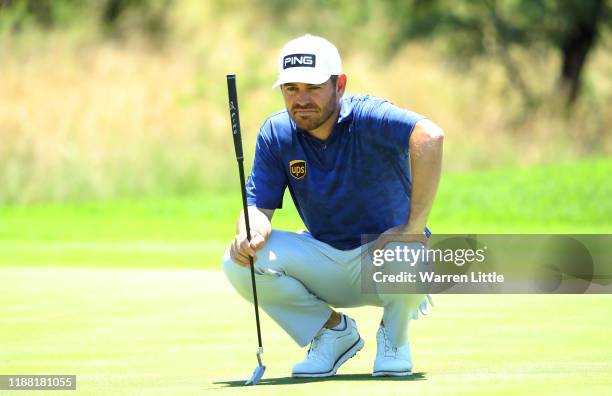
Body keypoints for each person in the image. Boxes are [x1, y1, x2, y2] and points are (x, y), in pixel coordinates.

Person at [222, 34, 444, 378]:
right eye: (291, 89)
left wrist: (413, 227)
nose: (301, 99)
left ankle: (394, 337)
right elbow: (258, 207)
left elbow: (430, 137)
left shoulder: (371, 116)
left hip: (384, 257)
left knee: (408, 252)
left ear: (339, 85)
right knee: (239, 262)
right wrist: (250, 233)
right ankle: (332, 333)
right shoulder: (276, 133)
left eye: (312, 87)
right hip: (324, 258)